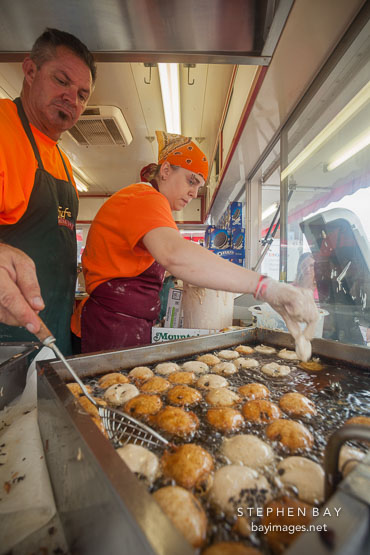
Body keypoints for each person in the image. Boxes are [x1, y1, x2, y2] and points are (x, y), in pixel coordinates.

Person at [76, 131, 319, 353]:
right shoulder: (144, 198)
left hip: (122, 325)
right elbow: (175, 254)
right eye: (191, 181)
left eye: (199, 186)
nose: (194, 193)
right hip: (111, 327)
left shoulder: (147, 203)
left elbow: (170, 261)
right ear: (166, 170)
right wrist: (264, 287)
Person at [0, 28, 96, 354]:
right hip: (7, 343)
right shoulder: (2, 131)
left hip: (55, 336)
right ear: (30, 70)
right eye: (61, 80)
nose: (72, 97)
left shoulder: (65, 165)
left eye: (83, 94)